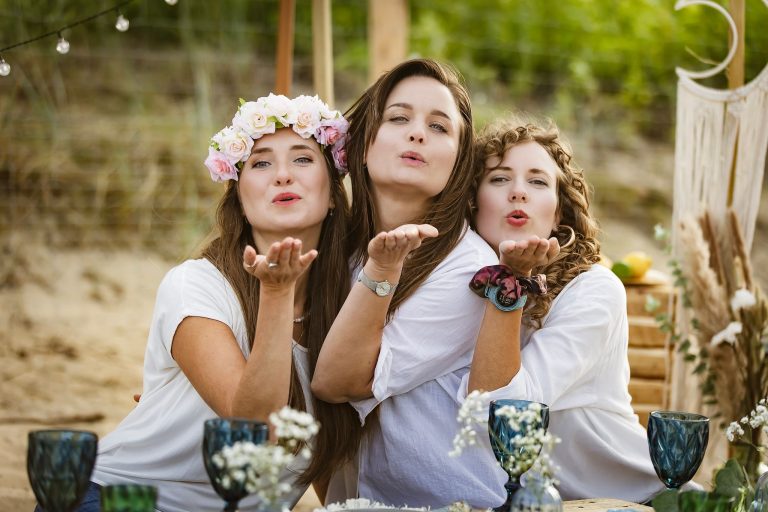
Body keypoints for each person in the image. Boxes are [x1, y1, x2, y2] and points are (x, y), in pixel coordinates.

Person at [49, 94, 354, 512]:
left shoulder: (345, 307)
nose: (283, 175)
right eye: (261, 164)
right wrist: (277, 293)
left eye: (302, 159)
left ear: (333, 193)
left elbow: (320, 457)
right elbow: (252, 427)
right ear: (240, 199)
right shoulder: (195, 285)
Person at [311, 59, 505, 508]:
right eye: (399, 118)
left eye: (439, 127)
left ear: (457, 163)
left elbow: (338, 381)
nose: (417, 133)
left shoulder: (470, 270)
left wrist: (382, 271)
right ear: (362, 145)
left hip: (457, 503)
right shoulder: (336, 250)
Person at [467, 119, 666, 503]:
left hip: (635, 498)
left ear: (559, 213)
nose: (518, 192)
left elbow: (506, 411)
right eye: (500, 179)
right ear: (474, 202)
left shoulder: (594, 290)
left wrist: (513, 279)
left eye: (538, 181)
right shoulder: (461, 285)